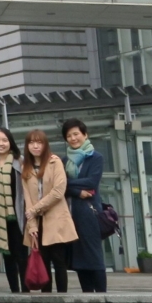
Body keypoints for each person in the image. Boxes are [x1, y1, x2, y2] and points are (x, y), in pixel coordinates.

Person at [20, 129, 75, 292]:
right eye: (31, 142)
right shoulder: (25, 167)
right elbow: (27, 198)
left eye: (39, 142)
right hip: (37, 221)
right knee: (42, 262)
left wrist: (35, 210)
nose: (35, 146)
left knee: (59, 262)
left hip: (56, 219)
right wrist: (32, 225)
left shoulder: (54, 162)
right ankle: (46, 299)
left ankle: (62, 297)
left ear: (45, 145)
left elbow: (58, 192)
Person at [62, 119, 107, 292]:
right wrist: (77, 191)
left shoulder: (95, 157)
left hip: (90, 213)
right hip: (71, 214)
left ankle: (102, 295)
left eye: (76, 134)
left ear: (85, 135)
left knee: (94, 256)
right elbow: (58, 186)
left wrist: (67, 183)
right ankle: (87, 295)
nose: (73, 138)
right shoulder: (64, 160)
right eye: (69, 136)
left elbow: (92, 182)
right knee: (79, 257)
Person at [0, 127, 23, 293]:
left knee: (21, 256)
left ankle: (26, 292)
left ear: (10, 142)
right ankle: (14, 291)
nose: (0, 144)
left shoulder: (20, 162)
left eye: (4, 140)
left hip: (18, 216)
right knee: (8, 257)